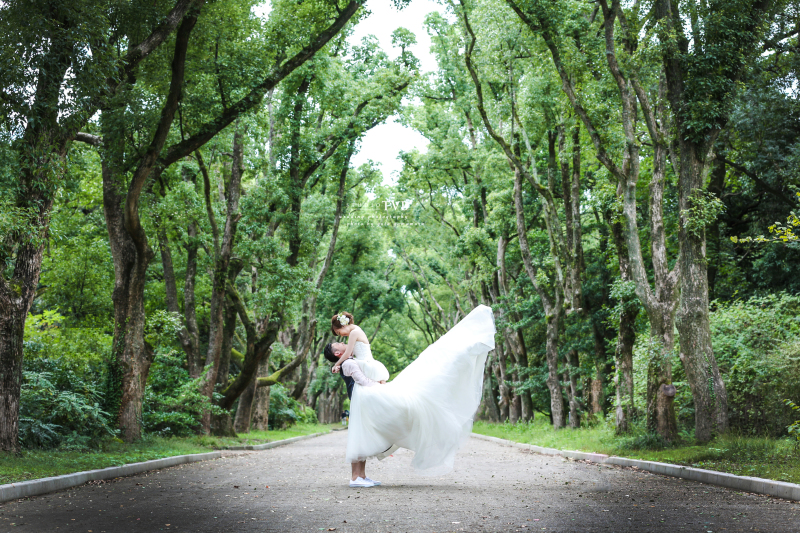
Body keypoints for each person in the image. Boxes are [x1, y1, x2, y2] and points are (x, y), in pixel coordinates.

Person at [325, 304, 496, 482]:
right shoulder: (351, 352)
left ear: (341, 326)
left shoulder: (353, 336)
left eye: (338, 335)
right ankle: (358, 476)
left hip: (368, 373)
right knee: (372, 423)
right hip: (367, 376)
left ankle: (362, 473)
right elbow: (355, 368)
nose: (341, 338)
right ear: (337, 352)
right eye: (339, 340)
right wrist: (342, 366)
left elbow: (350, 356)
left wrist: (337, 364)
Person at [323, 342, 385, 488]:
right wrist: (382, 386)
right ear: (338, 353)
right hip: (359, 403)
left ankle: (361, 476)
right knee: (358, 439)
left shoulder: (349, 361)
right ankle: (355, 477)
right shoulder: (348, 363)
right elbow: (363, 381)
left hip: (361, 402)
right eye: (339, 344)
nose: (344, 342)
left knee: (362, 439)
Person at [330, 311, 389, 382]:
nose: (342, 335)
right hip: (367, 363)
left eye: (339, 332)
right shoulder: (356, 329)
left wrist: (336, 364)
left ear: (343, 326)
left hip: (366, 365)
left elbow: (347, 354)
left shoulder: (353, 333)